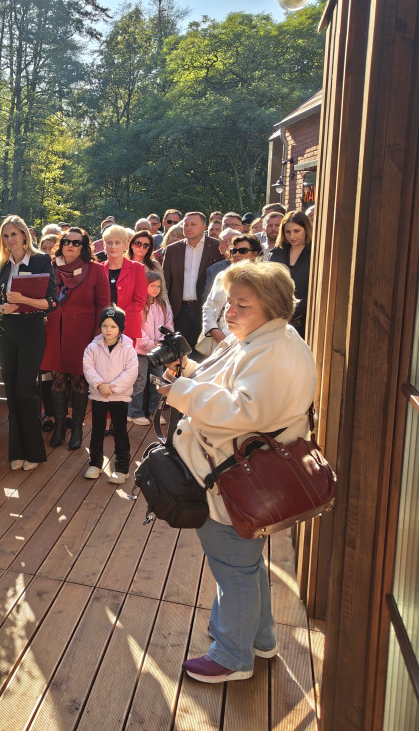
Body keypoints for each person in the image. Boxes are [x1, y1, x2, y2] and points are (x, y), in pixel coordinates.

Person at [156, 262, 317, 684]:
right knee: (246, 564)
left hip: (232, 483)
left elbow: (243, 412)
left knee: (234, 569)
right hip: (242, 477)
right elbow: (227, 383)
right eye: (230, 302)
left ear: (273, 306)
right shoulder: (266, 339)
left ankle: (231, 656)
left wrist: (182, 393)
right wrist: (188, 374)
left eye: (242, 304)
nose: (230, 312)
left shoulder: (272, 350)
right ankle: (260, 638)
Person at [0, 215, 57, 471]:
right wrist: (2, 306)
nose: (9, 239)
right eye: (5, 235)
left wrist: (24, 299)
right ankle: (16, 452)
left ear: (25, 235)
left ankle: (35, 453)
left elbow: (51, 302)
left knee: (25, 391)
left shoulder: (40, 260)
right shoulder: (2, 265)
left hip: (31, 329)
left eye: (14, 234)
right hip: (6, 330)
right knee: (12, 392)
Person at [42, 228, 110, 448]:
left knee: (80, 380)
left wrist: (97, 334)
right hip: (54, 332)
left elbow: (103, 304)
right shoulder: (51, 268)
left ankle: (78, 429)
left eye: (76, 242)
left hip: (83, 333)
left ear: (84, 247)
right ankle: (60, 427)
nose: (70, 245)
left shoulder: (95, 270)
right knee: (58, 380)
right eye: (66, 241)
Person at [82, 306, 138, 483]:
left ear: (120, 328)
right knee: (97, 430)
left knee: (120, 430)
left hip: (119, 397)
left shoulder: (128, 349)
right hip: (99, 396)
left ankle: (122, 467)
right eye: (105, 326)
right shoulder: (92, 347)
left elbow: (131, 372)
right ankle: (95, 463)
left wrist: (113, 388)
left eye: (113, 326)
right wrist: (100, 385)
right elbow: (88, 368)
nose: (108, 330)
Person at [162, 211, 224, 350]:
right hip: (180, 310)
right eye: (186, 225)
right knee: (180, 352)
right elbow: (166, 282)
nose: (188, 228)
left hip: (205, 310)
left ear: (204, 227)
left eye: (193, 224)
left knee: (202, 352)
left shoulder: (216, 247)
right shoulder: (173, 250)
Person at [201, 234, 264, 349]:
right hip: (216, 341)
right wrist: (212, 329)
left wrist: (229, 335)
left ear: (255, 254)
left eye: (243, 251)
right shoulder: (221, 275)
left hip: (244, 341)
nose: (237, 254)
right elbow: (208, 306)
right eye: (234, 251)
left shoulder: (261, 280)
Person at [129, 270, 173, 425]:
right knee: (139, 381)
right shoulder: (139, 306)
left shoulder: (163, 305)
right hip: (140, 351)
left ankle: (155, 412)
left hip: (158, 352)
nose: (156, 289)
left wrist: (161, 342)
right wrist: (150, 344)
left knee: (158, 381)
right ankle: (134, 412)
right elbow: (136, 330)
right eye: (152, 286)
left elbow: (168, 325)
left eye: (158, 287)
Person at [268, 211, 312, 338]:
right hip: (275, 318)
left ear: (306, 230)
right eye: (288, 232)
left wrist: (293, 313)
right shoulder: (276, 254)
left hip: (306, 320)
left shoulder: (315, 253)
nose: (292, 236)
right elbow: (268, 285)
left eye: (297, 231)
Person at [102, 225, 148, 340]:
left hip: (128, 328)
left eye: (117, 243)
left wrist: (117, 319)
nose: (113, 246)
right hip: (102, 328)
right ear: (104, 245)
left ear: (125, 245)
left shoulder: (137, 268)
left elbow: (139, 301)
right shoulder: (98, 269)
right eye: (109, 242)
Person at [203, 228, 241, 300]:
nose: (228, 244)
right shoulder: (213, 270)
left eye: (232, 240)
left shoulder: (254, 266)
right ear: (220, 249)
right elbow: (207, 298)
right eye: (224, 242)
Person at [126, 228, 164, 296]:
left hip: (149, 304)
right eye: (138, 244)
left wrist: (166, 306)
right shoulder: (122, 263)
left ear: (149, 248)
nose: (141, 248)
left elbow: (162, 290)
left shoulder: (154, 265)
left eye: (146, 245)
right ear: (131, 245)